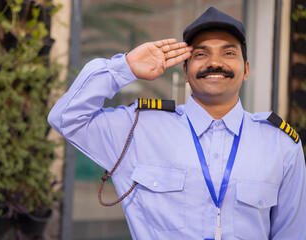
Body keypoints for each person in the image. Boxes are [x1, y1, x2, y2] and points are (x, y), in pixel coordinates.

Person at [48, 7, 306, 240]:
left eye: (228, 52)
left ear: (246, 69)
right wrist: (123, 68)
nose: (214, 62)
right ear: (185, 71)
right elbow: (67, 118)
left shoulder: (280, 145)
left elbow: (292, 233)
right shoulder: (137, 129)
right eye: (201, 53)